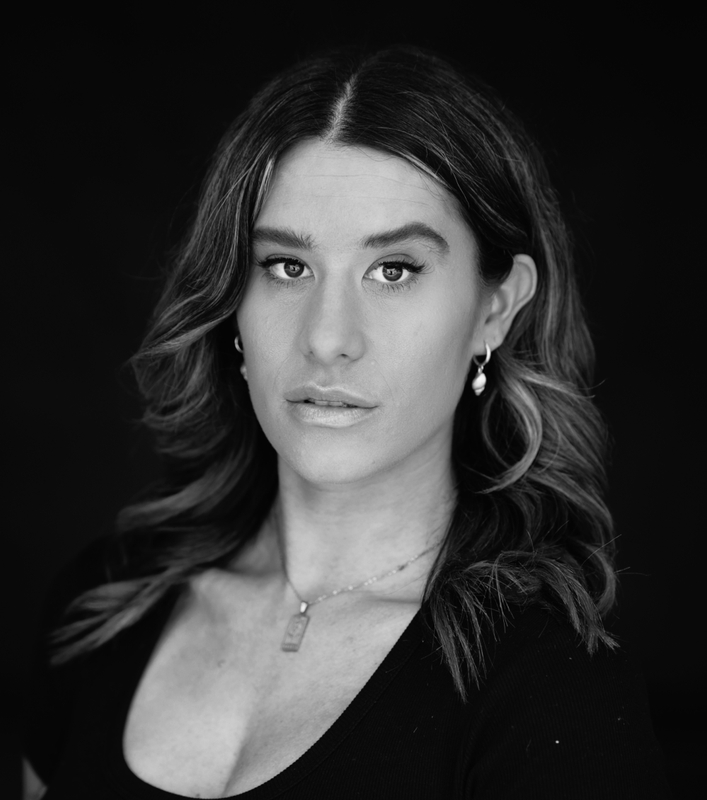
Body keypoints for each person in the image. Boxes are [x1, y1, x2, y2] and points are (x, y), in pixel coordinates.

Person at [23, 45, 672, 798]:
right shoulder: (101, 607)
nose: (328, 337)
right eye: (286, 266)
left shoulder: (555, 695)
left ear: (493, 309)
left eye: (393, 269)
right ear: (232, 303)